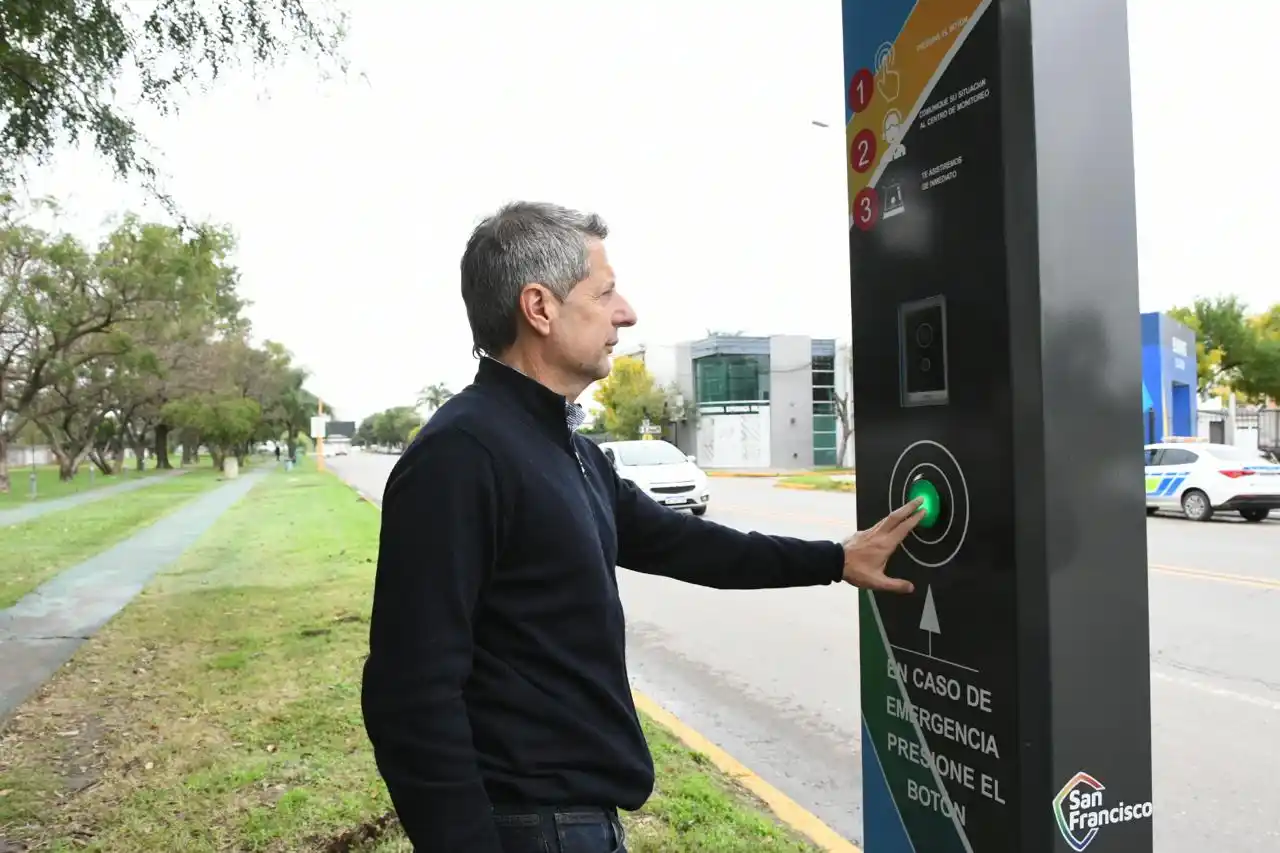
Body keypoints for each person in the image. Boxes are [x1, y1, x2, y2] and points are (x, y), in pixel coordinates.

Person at [361, 202, 924, 853]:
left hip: (581, 824)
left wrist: (834, 558)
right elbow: (410, 691)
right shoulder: (461, 455)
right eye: (604, 293)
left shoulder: (565, 447)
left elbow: (686, 543)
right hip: (528, 828)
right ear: (539, 308)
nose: (625, 312)